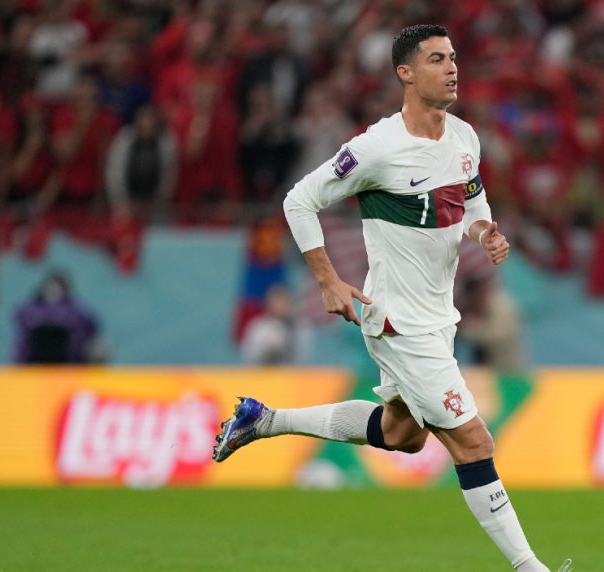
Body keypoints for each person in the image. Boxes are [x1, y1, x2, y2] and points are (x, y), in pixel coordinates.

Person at [212, 25, 569, 572]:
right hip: (399, 323)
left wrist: (484, 234)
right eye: (435, 59)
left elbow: (472, 206)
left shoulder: (465, 139)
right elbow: (298, 202)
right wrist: (329, 281)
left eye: (452, 58)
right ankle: (529, 567)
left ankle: (265, 420)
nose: (451, 68)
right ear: (405, 72)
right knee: (474, 443)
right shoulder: (376, 148)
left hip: (438, 317)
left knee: (402, 434)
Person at [13, 271, 102, 364]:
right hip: (35, 361)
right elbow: (20, 318)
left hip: (71, 361)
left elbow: (92, 328)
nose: (53, 290)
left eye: (57, 287)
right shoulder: (32, 307)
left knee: (99, 348)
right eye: (51, 287)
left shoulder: (76, 309)